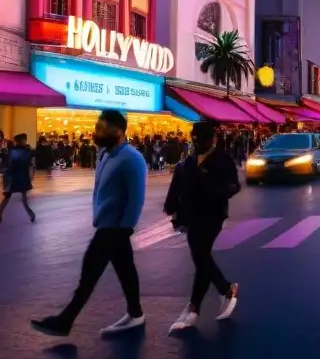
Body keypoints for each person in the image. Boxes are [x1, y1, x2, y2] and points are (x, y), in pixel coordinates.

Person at [31, 110, 147, 338]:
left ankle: (65, 320)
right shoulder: (105, 154)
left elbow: (136, 198)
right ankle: (136, 313)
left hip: (114, 229)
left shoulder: (132, 158)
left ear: (119, 131)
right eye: (97, 127)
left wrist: (126, 228)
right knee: (126, 270)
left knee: (90, 272)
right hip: (106, 224)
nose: (96, 132)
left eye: (102, 128)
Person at [164, 121, 241, 333]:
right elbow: (179, 183)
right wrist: (171, 207)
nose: (197, 144)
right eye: (194, 140)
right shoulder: (188, 160)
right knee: (201, 257)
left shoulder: (222, 159)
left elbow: (234, 186)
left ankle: (200, 302)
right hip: (191, 216)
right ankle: (220, 292)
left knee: (201, 254)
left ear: (211, 139)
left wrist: (211, 186)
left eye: (201, 140)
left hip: (212, 215)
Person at [0, 133, 36, 223]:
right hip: (17, 176)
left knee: (12, 196)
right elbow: (28, 163)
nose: (24, 141)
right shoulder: (24, 151)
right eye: (23, 140)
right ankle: (30, 213)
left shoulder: (12, 151)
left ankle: (30, 213)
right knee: (17, 196)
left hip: (14, 176)